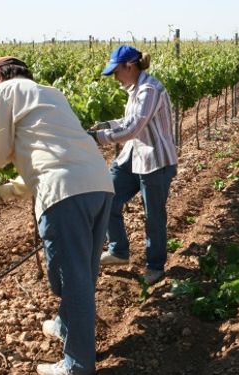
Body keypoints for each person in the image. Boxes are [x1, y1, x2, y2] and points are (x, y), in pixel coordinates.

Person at [0, 56, 114, 375]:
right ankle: (66, 326)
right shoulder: (51, 93)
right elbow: (48, 156)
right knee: (83, 273)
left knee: (72, 281)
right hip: (99, 184)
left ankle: (77, 365)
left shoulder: (5, 91)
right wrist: (9, 190)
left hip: (65, 193)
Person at [88, 45, 178, 285]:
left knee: (153, 215)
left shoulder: (149, 89)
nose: (115, 77)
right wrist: (105, 125)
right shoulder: (135, 89)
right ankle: (118, 251)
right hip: (132, 155)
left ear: (129, 66)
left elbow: (132, 128)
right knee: (107, 197)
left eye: (116, 71)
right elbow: (127, 120)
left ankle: (155, 266)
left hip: (155, 160)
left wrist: (98, 139)